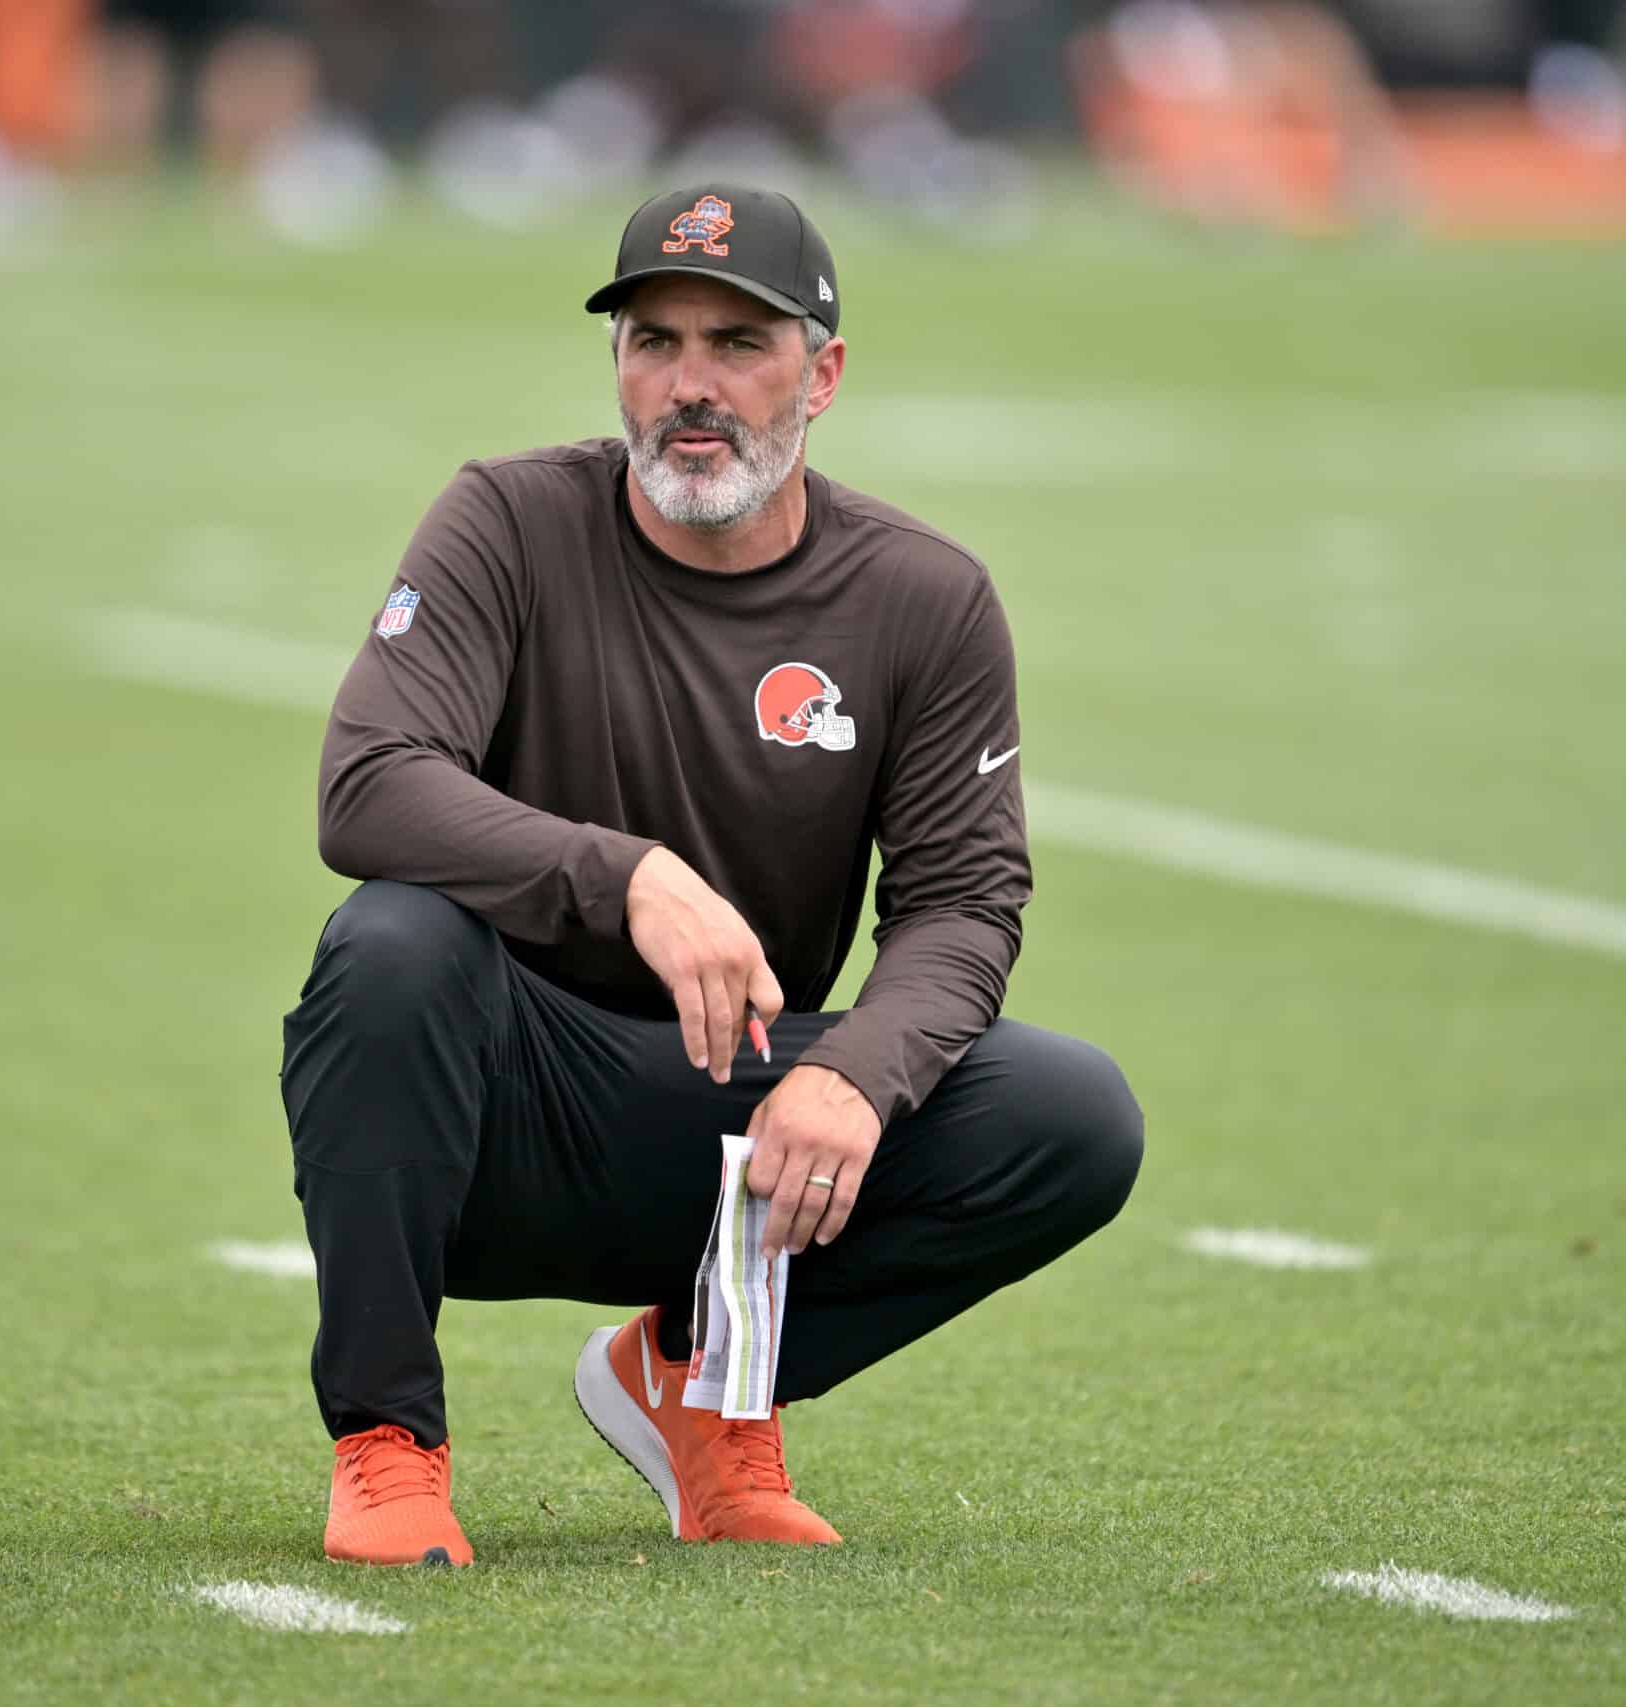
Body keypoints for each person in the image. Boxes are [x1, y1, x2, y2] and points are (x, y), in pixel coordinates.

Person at [281, 184, 1146, 1568]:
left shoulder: (923, 597)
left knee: (1071, 1113)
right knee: (389, 945)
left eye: (740, 344)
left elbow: (963, 903)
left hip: (743, 1128)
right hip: (495, 1102)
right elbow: (370, 777)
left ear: (825, 372)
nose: (691, 386)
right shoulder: (507, 520)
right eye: (654, 339)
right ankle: (390, 1442)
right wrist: (623, 875)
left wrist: (859, 1067)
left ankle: (697, 1383)